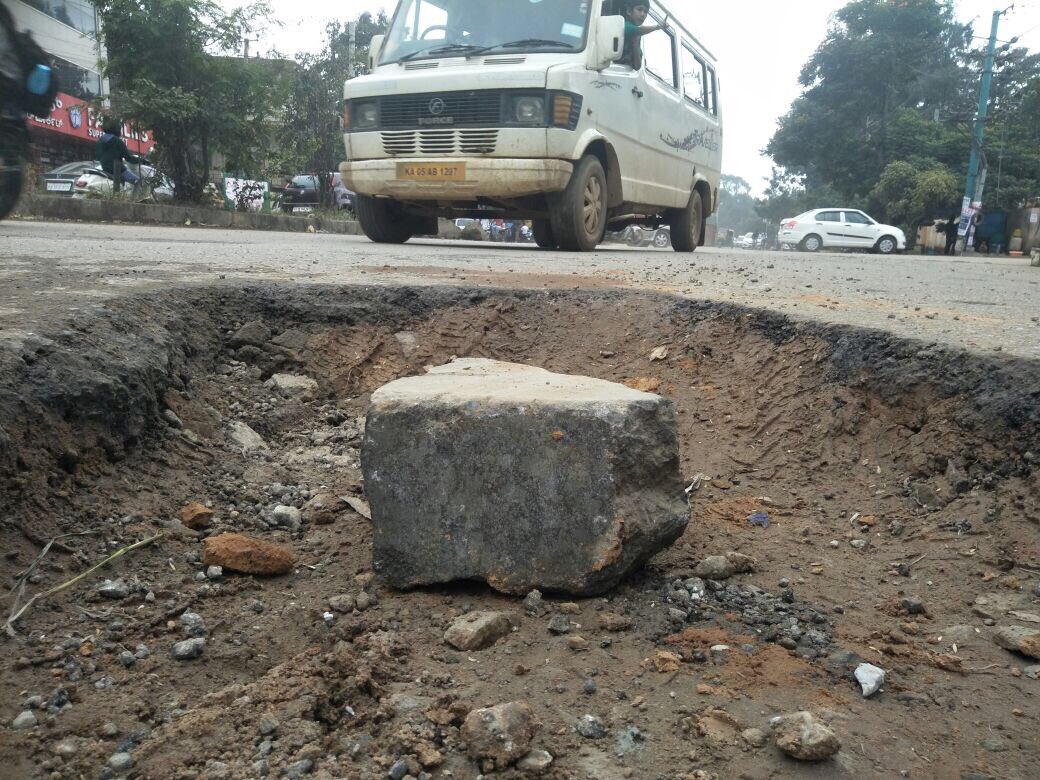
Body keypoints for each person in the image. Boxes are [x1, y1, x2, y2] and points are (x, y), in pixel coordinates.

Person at [96, 118, 146, 192]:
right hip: (118, 170)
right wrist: (143, 161)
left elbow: (98, 156)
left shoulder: (101, 140)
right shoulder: (117, 141)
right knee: (138, 181)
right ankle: (135, 201)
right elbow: (128, 158)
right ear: (116, 128)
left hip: (104, 167)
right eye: (120, 128)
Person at [621, 3, 669, 70]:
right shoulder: (624, 26)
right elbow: (639, 30)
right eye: (639, 9)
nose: (642, 14)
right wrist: (658, 26)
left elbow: (637, 66)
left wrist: (635, 45)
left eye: (645, 12)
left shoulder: (637, 36)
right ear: (629, 11)